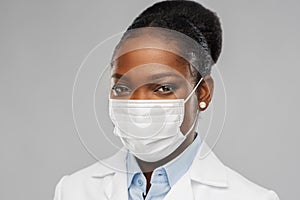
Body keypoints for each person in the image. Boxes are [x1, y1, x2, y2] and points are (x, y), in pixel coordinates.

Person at [54, 1, 280, 199]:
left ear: (203, 93)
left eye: (163, 88)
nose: (139, 104)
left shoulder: (251, 198)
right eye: (122, 87)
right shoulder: (73, 191)